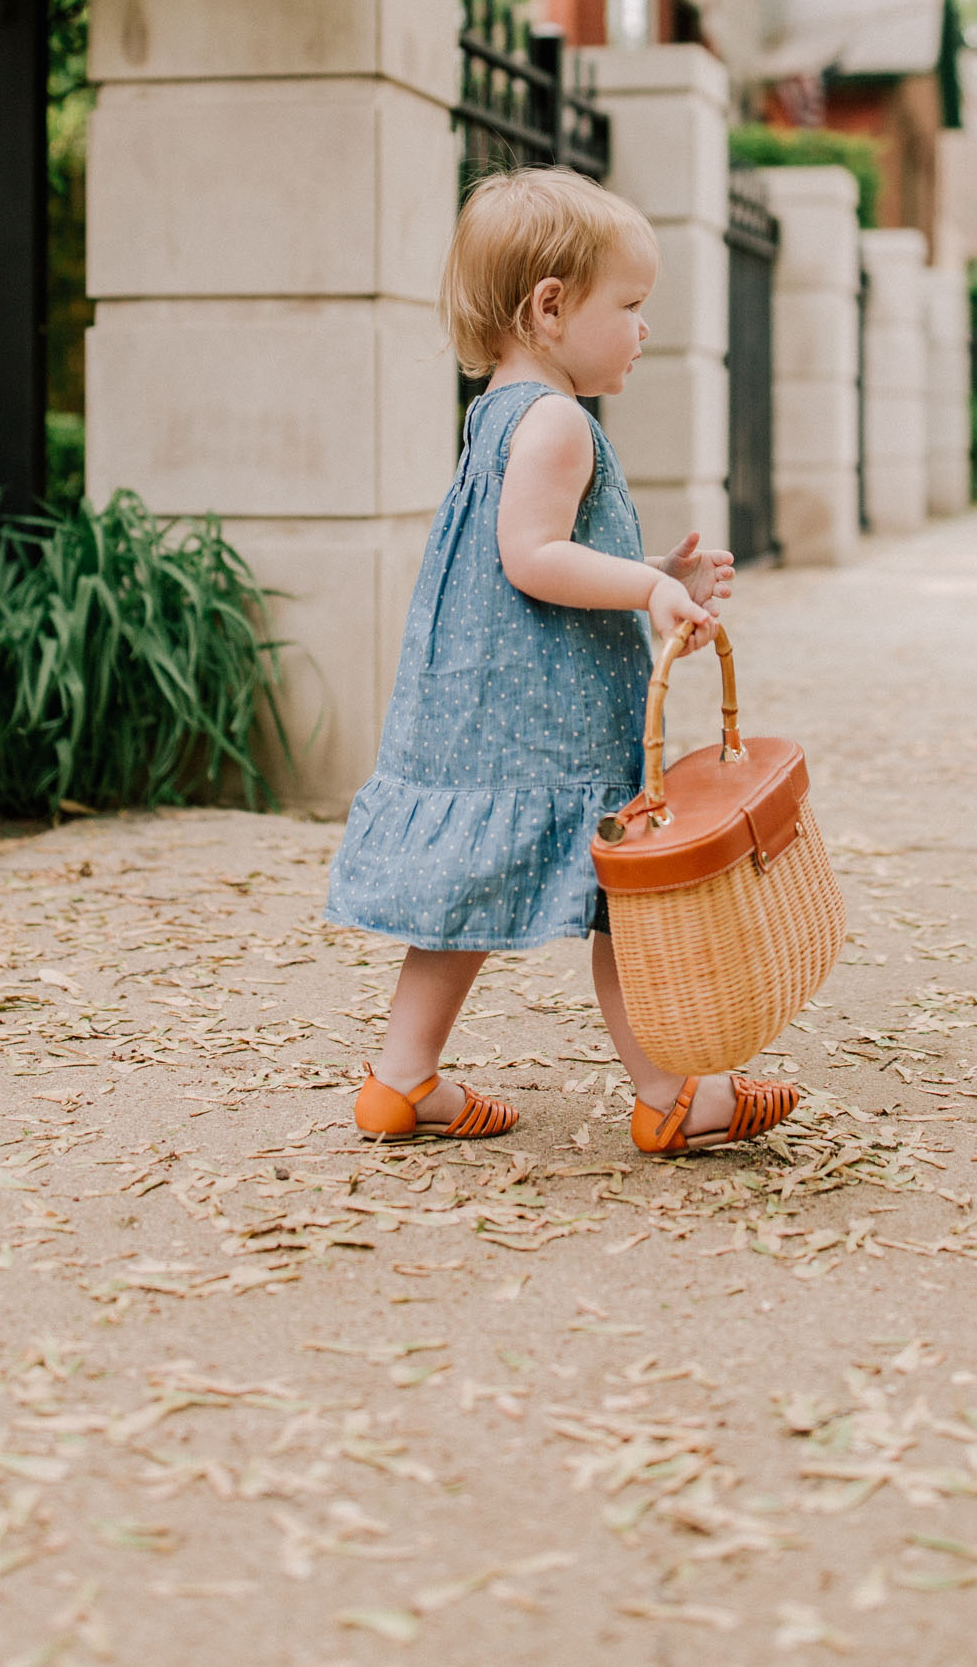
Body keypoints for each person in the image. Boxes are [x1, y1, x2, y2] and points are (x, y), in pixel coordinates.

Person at [324, 166, 800, 1157]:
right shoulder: (555, 423)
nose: (643, 329)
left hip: (485, 703)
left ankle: (401, 1082)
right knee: (623, 900)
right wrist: (649, 591)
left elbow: (533, 548)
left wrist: (648, 566)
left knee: (462, 904)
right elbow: (532, 559)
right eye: (629, 306)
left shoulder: (501, 409)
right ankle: (674, 1096)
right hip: (544, 718)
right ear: (549, 308)